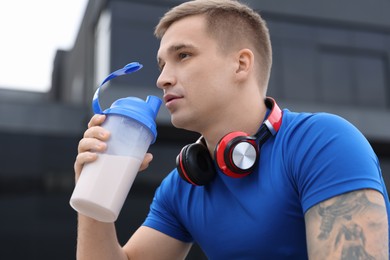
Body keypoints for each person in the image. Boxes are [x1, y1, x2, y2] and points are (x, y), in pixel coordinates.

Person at [74, 0, 390, 259]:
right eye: (161, 65)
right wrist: (91, 192)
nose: (163, 79)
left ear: (240, 64)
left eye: (183, 56)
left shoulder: (324, 143)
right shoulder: (181, 188)